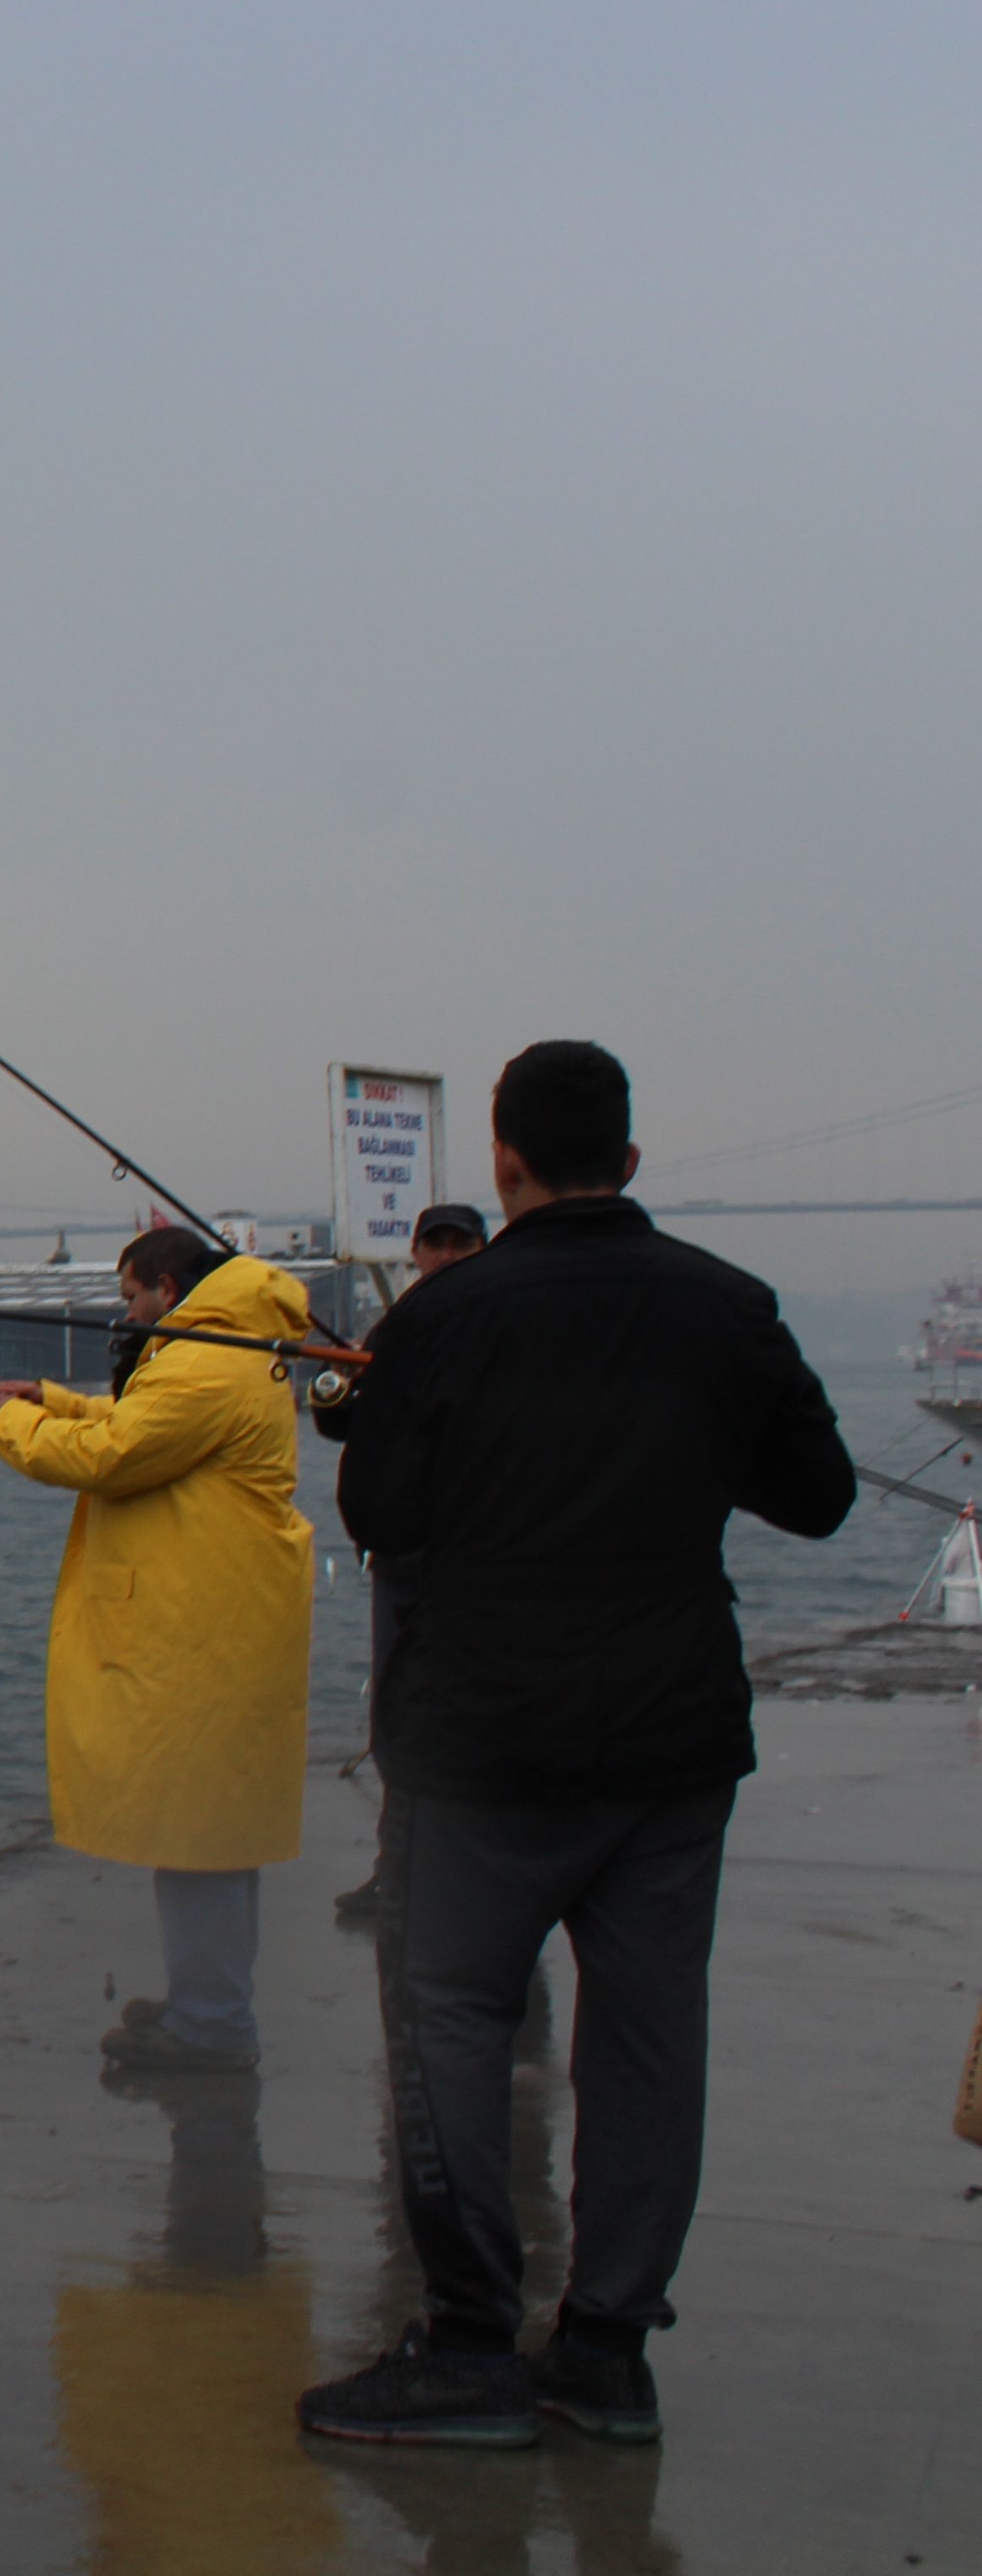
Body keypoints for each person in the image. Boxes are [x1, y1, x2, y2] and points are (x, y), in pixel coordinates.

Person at [299, 1041, 853, 2451]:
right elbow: (815, 1496)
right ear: (628, 1157)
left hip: (479, 1743)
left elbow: (382, 1523)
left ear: (499, 1160)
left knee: (449, 2023)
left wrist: (399, 1396)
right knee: (647, 2038)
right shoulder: (725, 1308)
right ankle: (604, 2349)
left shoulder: (443, 1315)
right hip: (669, 1744)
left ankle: (472, 2346)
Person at [0, 1224, 320, 2075]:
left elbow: (117, 1452)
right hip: (216, 1622)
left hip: (204, 1632)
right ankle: (208, 2007)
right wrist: (54, 1398)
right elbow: (140, 1419)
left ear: (168, 1289)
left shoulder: (205, 1360)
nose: (125, 1311)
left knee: (199, 1842)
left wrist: (12, 1429)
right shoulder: (227, 1345)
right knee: (206, 1838)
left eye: (131, 1294)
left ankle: (212, 2026)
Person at [312, 1197, 490, 1925]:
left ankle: (460, 1878)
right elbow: (342, 1421)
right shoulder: (395, 1327)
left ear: (484, 1248)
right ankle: (400, 1873)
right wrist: (337, 1383)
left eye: (460, 1244)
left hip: (467, 1563)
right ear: (415, 1252)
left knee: (463, 1725)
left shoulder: (490, 1323)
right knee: (397, 1722)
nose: (446, 1255)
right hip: (396, 1558)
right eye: (434, 1244)